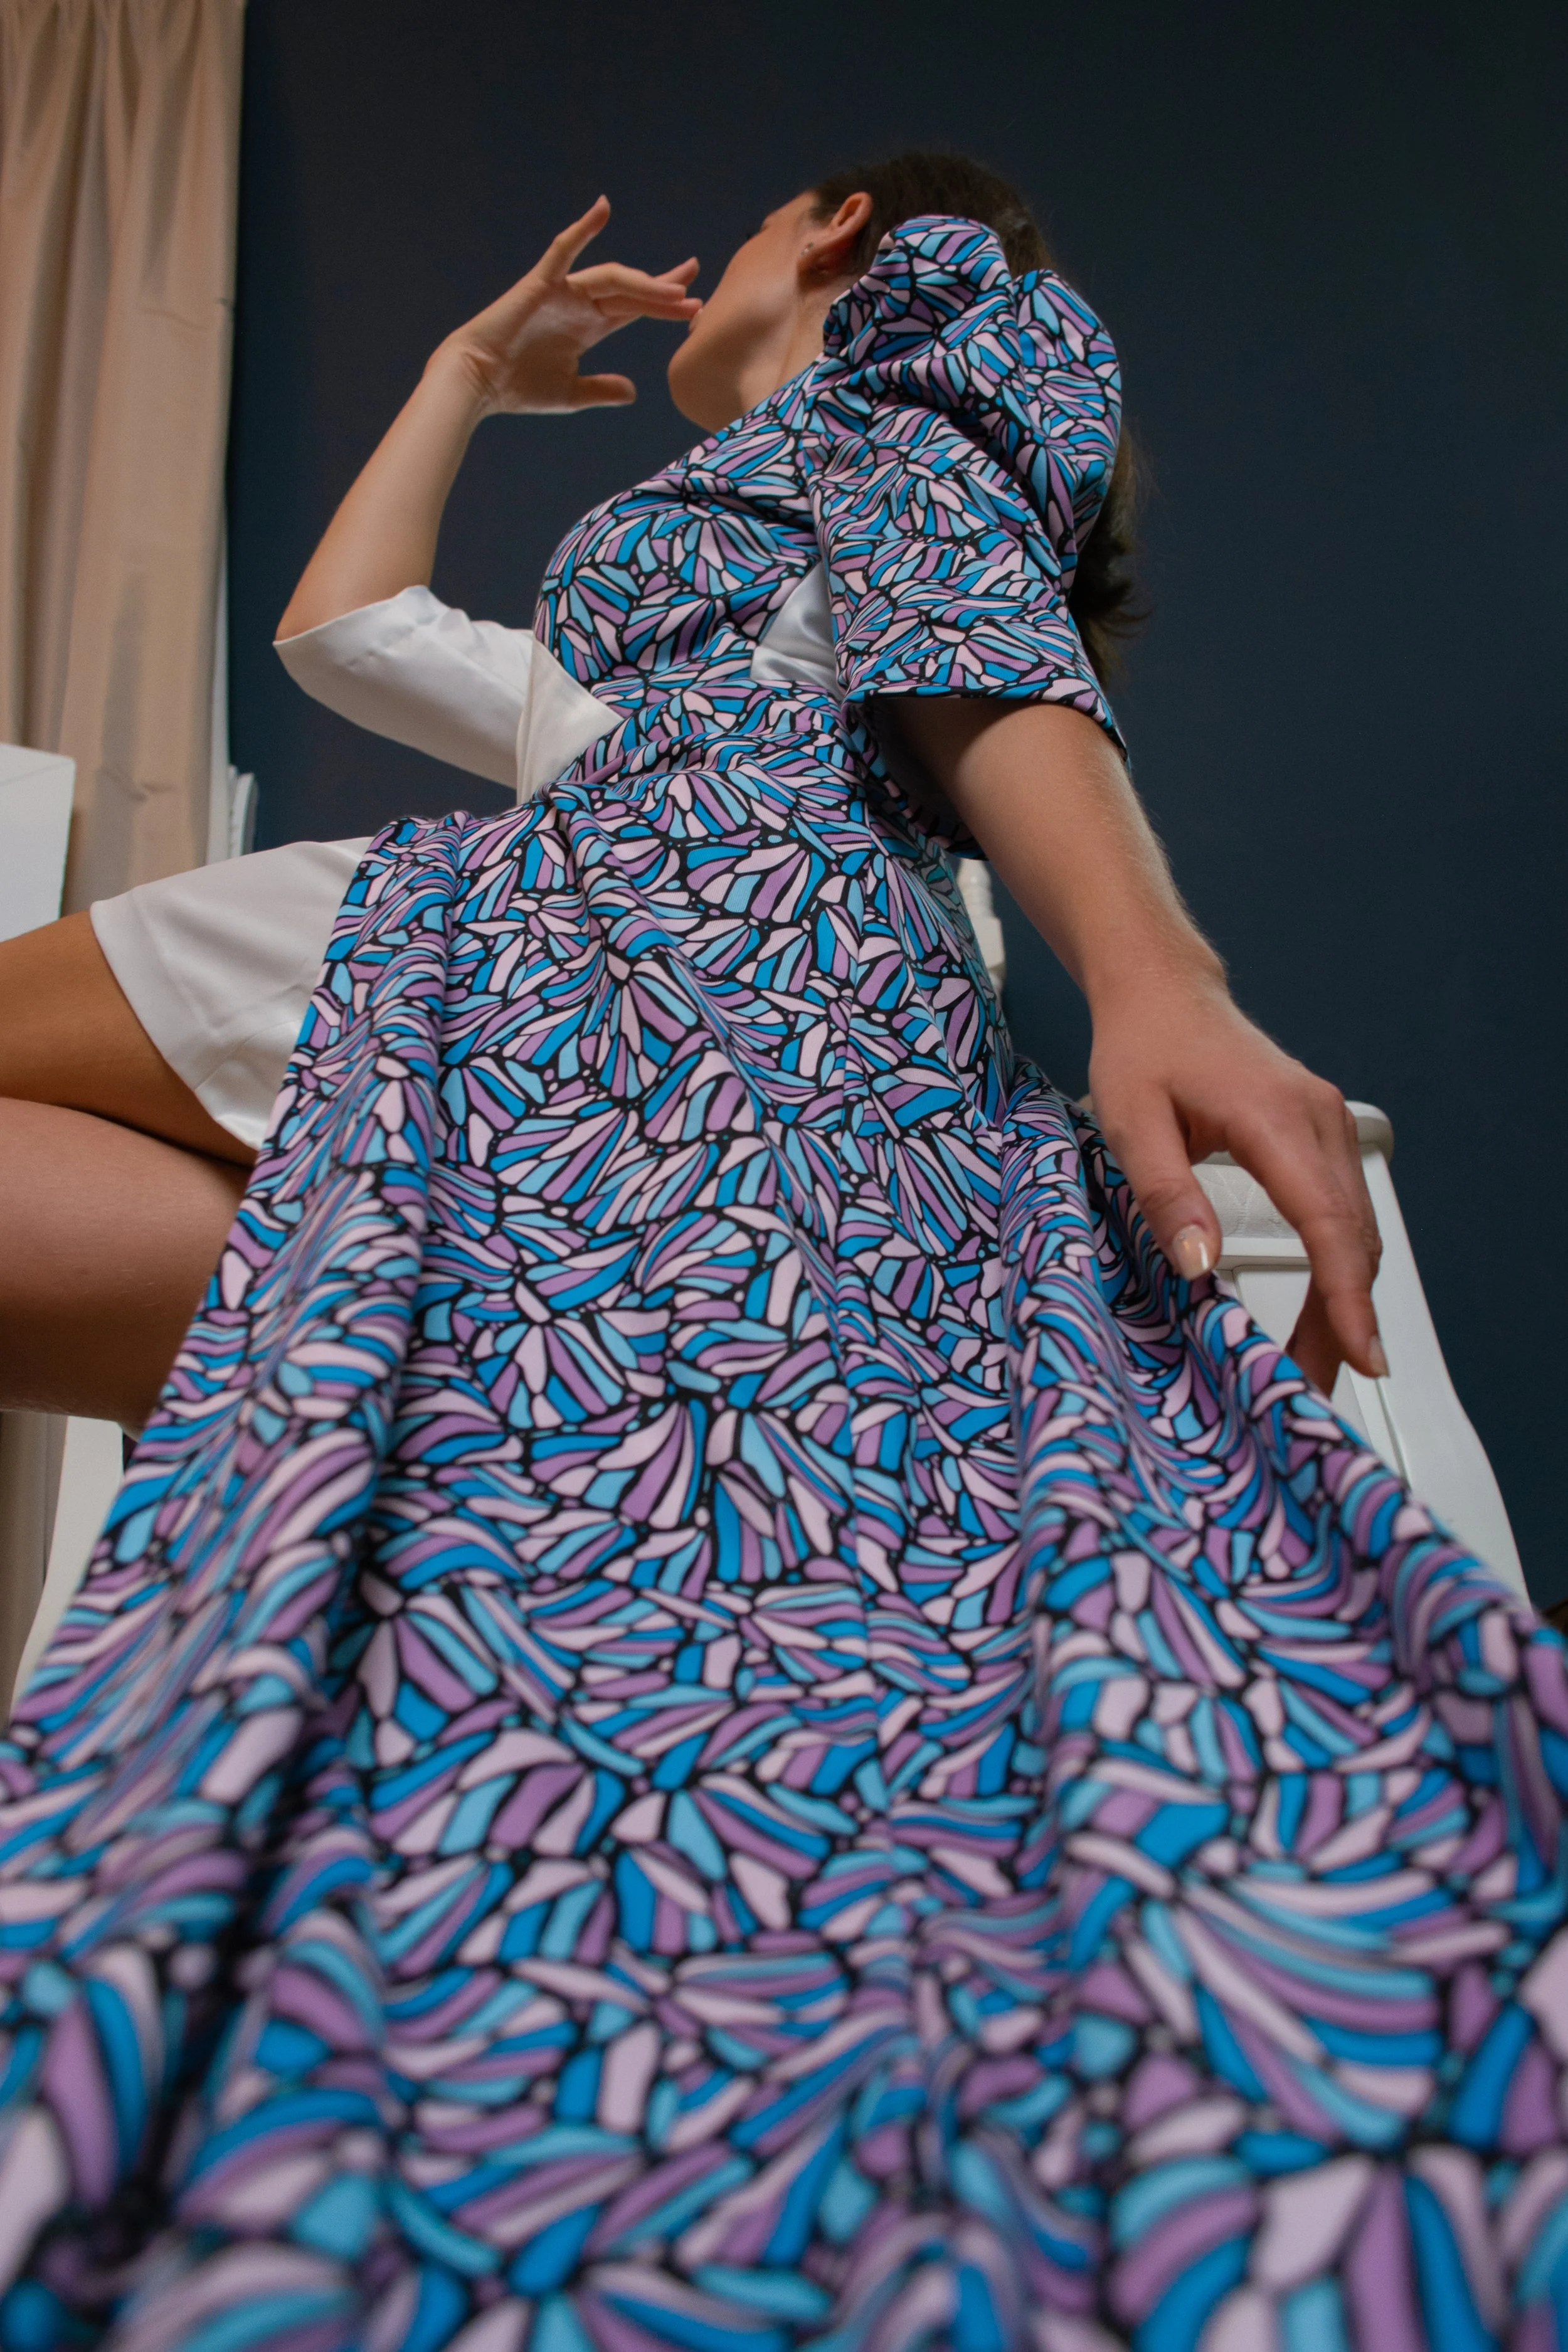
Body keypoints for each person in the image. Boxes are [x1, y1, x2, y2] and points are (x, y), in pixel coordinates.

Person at [0, 153, 1562, 2351]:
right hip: (594, 941)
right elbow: (345, 637)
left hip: (610, 953)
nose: (708, 275)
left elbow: (960, 613)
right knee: (416, 1384)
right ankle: (398, 1348)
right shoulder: (700, 583)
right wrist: (465, 367)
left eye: (745, 235)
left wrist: (1151, 967)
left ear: (834, 229)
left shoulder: (919, 370)